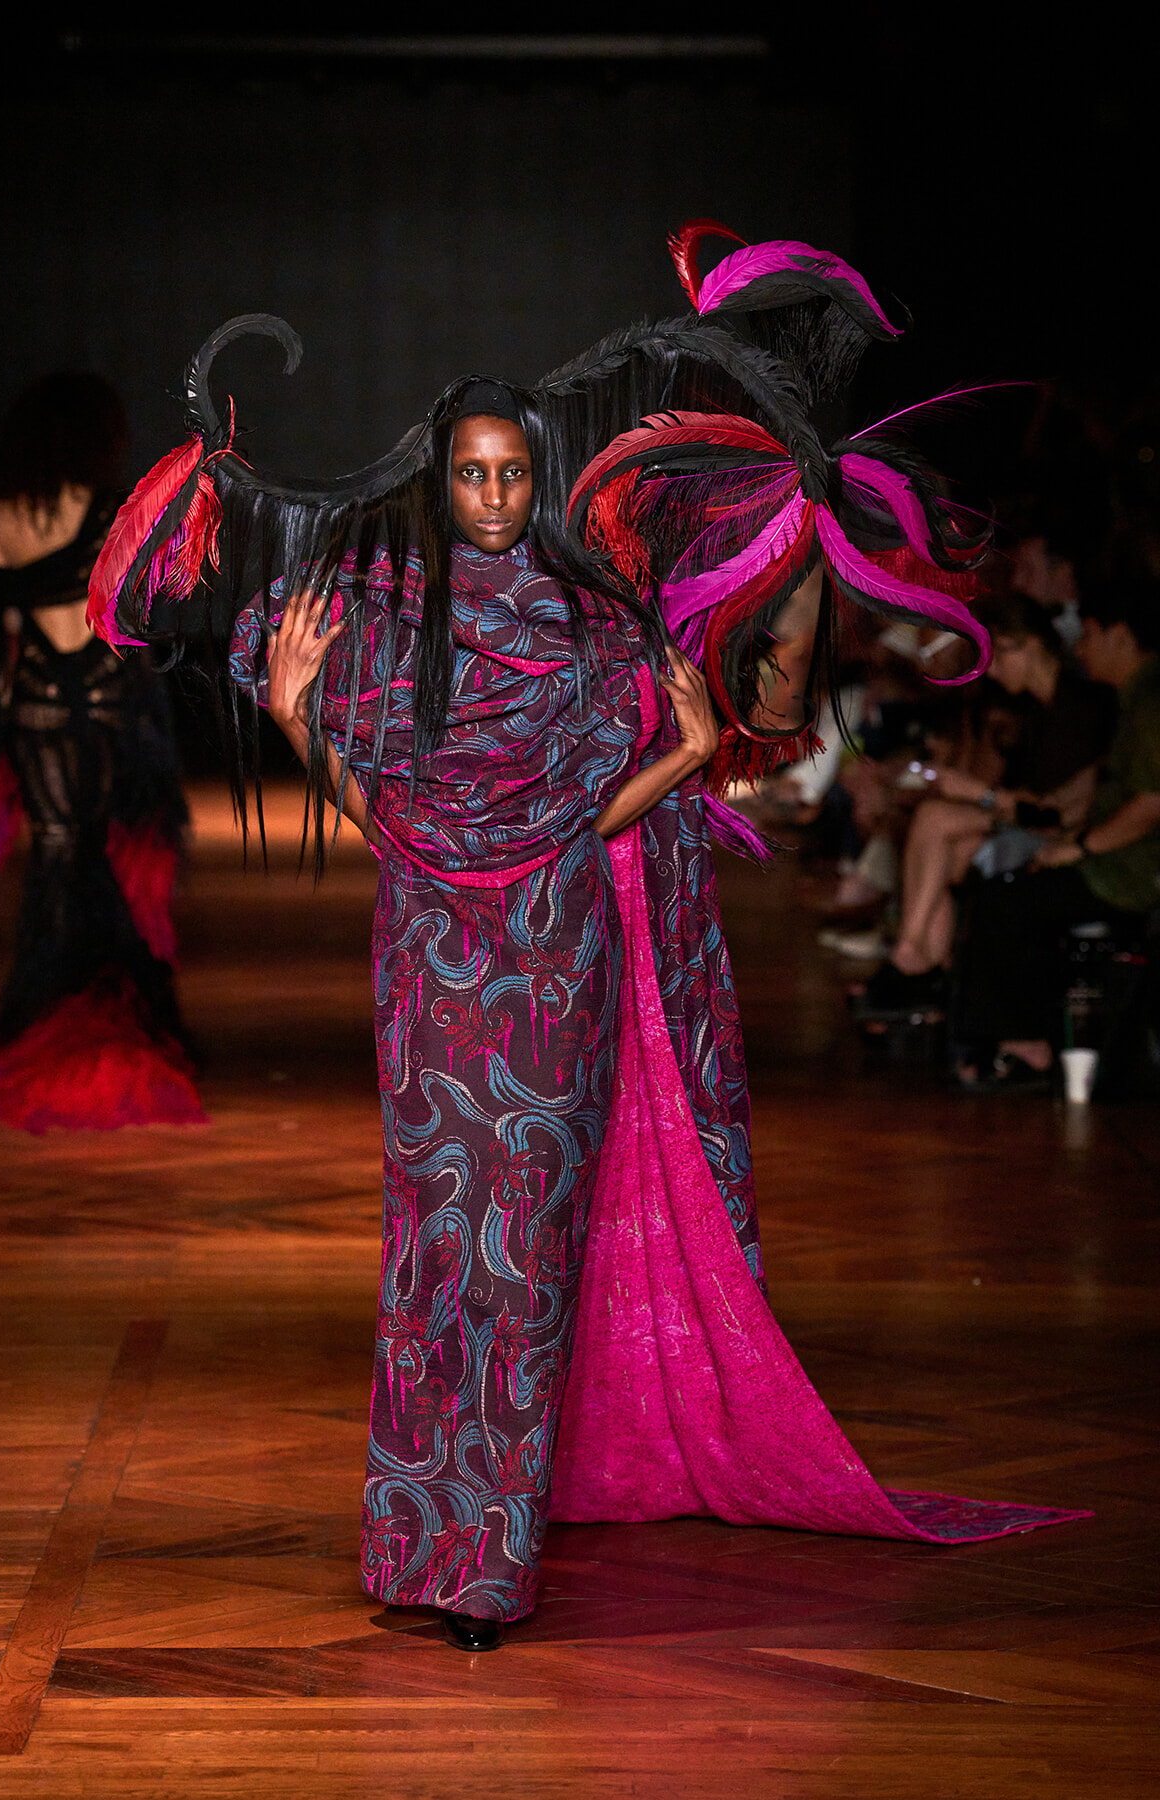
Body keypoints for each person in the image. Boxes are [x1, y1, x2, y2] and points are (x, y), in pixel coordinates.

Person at [89, 227, 1086, 1650]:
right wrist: (307, 717)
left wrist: (684, 754)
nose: (493, 493)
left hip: (555, 966)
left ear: (536, 480)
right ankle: (417, 1549)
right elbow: (385, 824)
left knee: (530, 1256)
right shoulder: (386, 625)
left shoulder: (591, 630)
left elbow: (590, 817)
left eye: (511, 472)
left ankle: (487, 1571)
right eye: (471, 473)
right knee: (438, 1254)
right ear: (442, 482)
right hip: (434, 971)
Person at [0, 374, 202, 1132]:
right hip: (108, 703)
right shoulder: (108, 516)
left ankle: (48, 1018)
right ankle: (121, 1026)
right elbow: (141, 615)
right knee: (107, 856)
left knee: (59, 856)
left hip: (34, 706)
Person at [858, 593, 1115, 1015]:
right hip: (1026, 825)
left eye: (998, 656)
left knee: (937, 820)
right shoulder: (1030, 710)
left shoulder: (1081, 708)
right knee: (947, 843)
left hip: (1067, 835)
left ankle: (914, 960)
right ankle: (920, 965)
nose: (991, 670)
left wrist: (979, 795)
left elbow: (1056, 811)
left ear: (1030, 644)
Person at [952, 580, 1160, 1086]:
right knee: (1010, 890)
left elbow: (1150, 802)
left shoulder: (1148, 699)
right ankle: (1010, 1034)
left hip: (1128, 872)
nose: (1082, 648)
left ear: (1120, 635)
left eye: (1089, 635)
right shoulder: (1131, 701)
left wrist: (1078, 847)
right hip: (1111, 858)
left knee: (1010, 900)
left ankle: (1023, 1041)